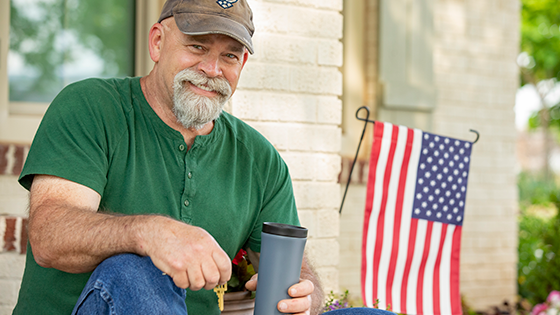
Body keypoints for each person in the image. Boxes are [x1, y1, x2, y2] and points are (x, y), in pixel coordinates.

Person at [12, 0, 394, 314]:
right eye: (197, 47)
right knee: (135, 273)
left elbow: (295, 270)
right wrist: (149, 233)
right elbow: (49, 236)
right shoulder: (91, 107)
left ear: (242, 65)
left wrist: (305, 295)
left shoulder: (259, 159)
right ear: (158, 43)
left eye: (229, 55)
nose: (212, 70)